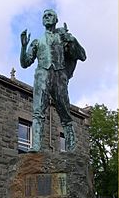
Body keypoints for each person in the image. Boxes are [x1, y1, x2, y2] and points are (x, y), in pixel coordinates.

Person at [20, 9, 86, 152]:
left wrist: (71, 39)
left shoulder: (63, 39)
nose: (46, 18)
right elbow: (25, 63)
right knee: (38, 112)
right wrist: (24, 46)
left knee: (65, 114)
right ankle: (36, 145)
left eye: (49, 15)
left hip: (59, 77)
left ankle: (71, 149)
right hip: (42, 76)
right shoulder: (37, 42)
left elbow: (82, 56)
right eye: (44, 16)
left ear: (56, 20)